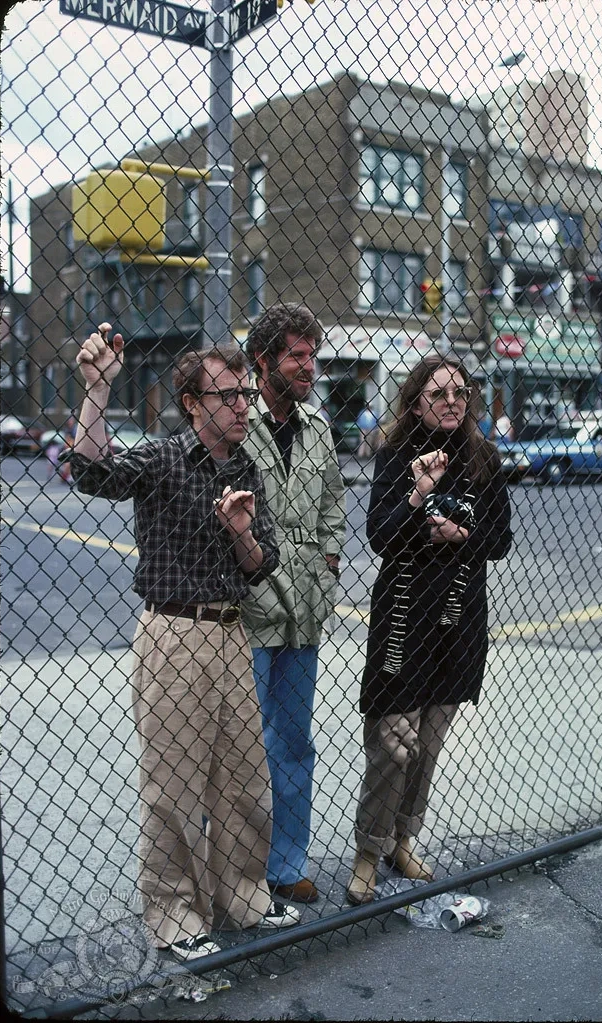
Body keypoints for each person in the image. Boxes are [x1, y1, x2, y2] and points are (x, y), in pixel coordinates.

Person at [70, 322, 300, 961]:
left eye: (246, 396)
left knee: (244, 781)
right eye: (227, 396)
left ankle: (243, 899)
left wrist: (242, 534)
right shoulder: (167, 457)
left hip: (232, 634)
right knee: (174, 786)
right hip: (174, 633)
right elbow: (91, 475)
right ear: (194, 404)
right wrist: (96, 391)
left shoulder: (249, 465)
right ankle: (175, 914)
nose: (242, 407)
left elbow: (264, 563)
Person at [346, 355, 513, 905]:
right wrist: (419, 499)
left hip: (458, 623)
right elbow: (380, 534)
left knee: (429, 744)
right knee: (394, 745)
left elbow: (500, 538)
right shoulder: (396, 455)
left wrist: (460, 536)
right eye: (438, 393)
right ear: (416, 399)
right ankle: (367, 853)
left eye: (460, 393)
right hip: (403, 622)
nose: (451, 402)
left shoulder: (484, 458)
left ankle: (403, 839)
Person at [242, 304, 346, 905]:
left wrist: (329, 567)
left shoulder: (318, 426)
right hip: (251, 608)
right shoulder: (239, 420)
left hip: (305, 607)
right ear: (264, 362)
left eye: (313, 355)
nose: (309, 367)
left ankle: (286, 864)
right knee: (237, 744)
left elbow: (333, 505)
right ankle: (234, 866)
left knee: (294, 740)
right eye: (296, 356)